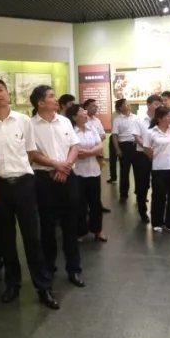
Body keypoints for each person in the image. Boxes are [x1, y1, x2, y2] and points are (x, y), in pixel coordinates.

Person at [0, 79, 58, 309]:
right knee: (5, 238)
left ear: (8, 93)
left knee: (32, 237)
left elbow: (31, 153)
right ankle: (12, 284)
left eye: (0, 90)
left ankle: (43, 287)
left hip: (24, 183)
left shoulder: (23, 121)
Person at [28, 85, 84, 288]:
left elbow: (75, 146)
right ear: (40, 103)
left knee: (71, 225)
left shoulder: (65, 121)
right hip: (44, 179)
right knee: (47, 226)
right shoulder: (30, 125)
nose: (55, 99)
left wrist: (65, 166)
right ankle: (49, 268)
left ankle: (74, 269)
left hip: (68, 177)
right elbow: (33, 153)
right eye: (51, 96)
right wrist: (56, 165)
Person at [66, 103, 107, 242]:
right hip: (78, 172)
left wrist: (89, 152)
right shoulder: (71, 131)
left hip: (94, 171)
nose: (85, 112)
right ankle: (81, 231)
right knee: (80, 204)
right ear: (74, 117)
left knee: (96, 203)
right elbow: (75, 151)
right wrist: (91, 151)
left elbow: (100, 146)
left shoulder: (92, 128)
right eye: (81, 111)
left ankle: (97, 230)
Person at [143, 105, 170, 233]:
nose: (169, 118)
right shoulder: (151, 132)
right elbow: (146, 148)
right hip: (159, 167)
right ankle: (157, 222)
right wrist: (156, 157)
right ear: (159, 118)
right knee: (159, 195)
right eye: (167, 116)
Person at [134, 94, 163, 224]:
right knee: (142, 184)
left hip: (159, 155)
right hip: (142, 155)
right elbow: (137, 137)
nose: (158, 106)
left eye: (160, 104)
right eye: (156, 104)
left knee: (159, 184)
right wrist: (148, 149)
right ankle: (142, 211)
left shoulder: (161, 119)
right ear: (148, 104)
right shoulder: (139, 119)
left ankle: (157, 213)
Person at [111, 99, 142, 205]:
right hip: (124, 147)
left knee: (138, 172)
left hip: (136, 146)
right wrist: (117, 149)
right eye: (125, 104)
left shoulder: (136, 118)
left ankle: (139, 194)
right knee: (124, 172)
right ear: (120, 107)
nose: (128, 105)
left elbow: (141, 132)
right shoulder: (117, 120)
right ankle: (123, 195)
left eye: (128, 103)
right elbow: (115, 136)